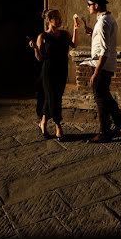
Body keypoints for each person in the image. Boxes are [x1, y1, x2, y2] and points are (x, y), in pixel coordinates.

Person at [77, 0, 121, 143]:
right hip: (106, 64)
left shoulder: (103, 22)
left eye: (89, 4)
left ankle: (104, 132)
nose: (88, 7)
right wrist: (92, 33)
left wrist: (95, 73)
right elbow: (106, 41)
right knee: (106, 97)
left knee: (100, 98)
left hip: (102, 66)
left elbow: (105, 50)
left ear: (96, 5)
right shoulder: (107, 19)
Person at [29, 9, 76, 141]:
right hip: (48, 70)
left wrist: (76, 28)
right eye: (57, 18)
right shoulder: (42, 36)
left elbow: (74, 44)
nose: (60, 20)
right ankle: (58, 125)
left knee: (56, 97)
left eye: (60, 18)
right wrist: (35, 49)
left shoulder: (65, 34)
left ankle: (43, 122)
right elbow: (39, 58)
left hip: (62, 70)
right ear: (49, 21)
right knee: (52, 97)